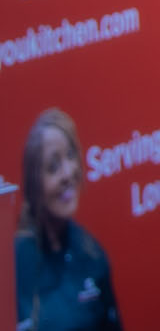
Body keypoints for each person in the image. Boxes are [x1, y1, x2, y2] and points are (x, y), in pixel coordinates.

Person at [14, 109, 120, 331]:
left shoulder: (91, 254)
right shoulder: (13, 267)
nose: (68, 173)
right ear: (33, 184)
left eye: (71, 156)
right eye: (53, 167)